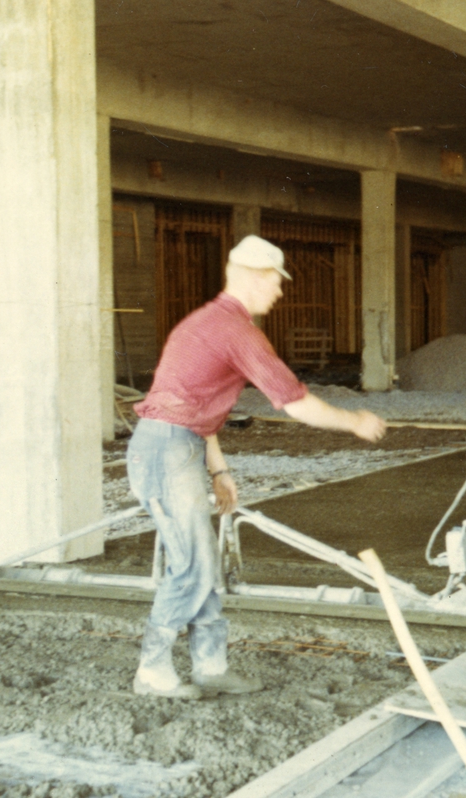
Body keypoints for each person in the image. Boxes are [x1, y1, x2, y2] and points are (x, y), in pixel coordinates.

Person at [128, 234, 387, 699]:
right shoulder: (236, 330)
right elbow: (294, 402)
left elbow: (192, 405)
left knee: (201, 563)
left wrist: (219, 470)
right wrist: (355, 422)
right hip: (167, 451)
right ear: (252, 278)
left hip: (174, 445)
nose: (281, 292)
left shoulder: (205, 323)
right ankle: (152, 670)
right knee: (191, 567)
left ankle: (210, 666)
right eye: (276, 281)